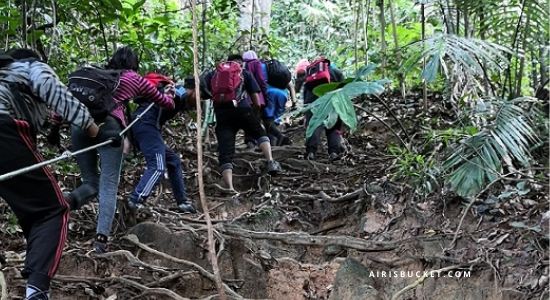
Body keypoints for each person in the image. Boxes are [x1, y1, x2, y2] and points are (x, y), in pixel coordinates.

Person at [0, 48, 118, 300]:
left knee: (35, 209)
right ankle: (37, 291)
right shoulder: (31, 67)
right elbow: (55, 92)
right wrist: (96, 130)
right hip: (4, 131)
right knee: (51, 211)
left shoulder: (5, 75)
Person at [54, 46, 175, 253]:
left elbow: (64, 103)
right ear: (134, 64)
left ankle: (65, 202)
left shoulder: (97, 76)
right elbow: (164, 103)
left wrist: (55, 125)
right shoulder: (134, 78)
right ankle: (101, 241)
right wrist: (171, 95)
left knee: (90, 182)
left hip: (79, 125)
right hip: (109, 128)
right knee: (108, 184)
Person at [202, 54, 282, 193]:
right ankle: (270, 161)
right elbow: (256, 100)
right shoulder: (244, 73)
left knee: (225, 151)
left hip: (222, 115)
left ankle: (230, 187)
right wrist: (254, 114)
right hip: (243, 109)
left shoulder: (214, 74)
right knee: (259, 132)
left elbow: (202, 90)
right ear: (240, 62)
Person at [127, 74, 196, 213]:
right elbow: (177, 92)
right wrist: (179, 91)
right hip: (146, 125)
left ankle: (182, 202)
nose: (200, 101)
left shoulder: (179, 96)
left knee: (173, 161)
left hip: (144, 126)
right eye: (200, 95)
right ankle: (136, 199)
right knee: (158, 166)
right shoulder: (179, 90)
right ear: (193, 90)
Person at [302, 58, 345, 161]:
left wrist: (305, 110)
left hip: (313, 102)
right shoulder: (336, 72)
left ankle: (311, 152)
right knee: (333, 127)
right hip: (332, 101)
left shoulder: (310, 75)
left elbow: (305, 93)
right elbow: (344, 89)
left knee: (314, 126)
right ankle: (334, 152)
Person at [242, 50, 269, 149]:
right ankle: (257, 141)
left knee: (246, 119)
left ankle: (248, 140)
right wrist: (265, 95)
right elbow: (261, 80)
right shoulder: (256, 63)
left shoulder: (241, 65)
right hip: (256, 96)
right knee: (255, 119)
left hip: (244, 98)